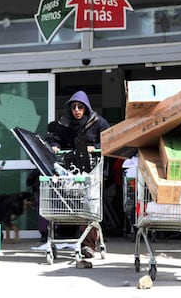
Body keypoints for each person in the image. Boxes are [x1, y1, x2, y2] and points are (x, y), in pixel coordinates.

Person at [49, 90, 110, 259]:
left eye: (80, 107)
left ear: (86, 108)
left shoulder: (99, 123)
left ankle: (88, 245)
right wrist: (55, 145)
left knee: (89, 208)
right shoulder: (64, 124)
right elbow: (55, 138)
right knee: (70, 206)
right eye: (74, 107)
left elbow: (110, 140)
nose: (77, 110)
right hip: (71, 173)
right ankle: (64, 237)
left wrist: (95, 147)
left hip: (93, 173)